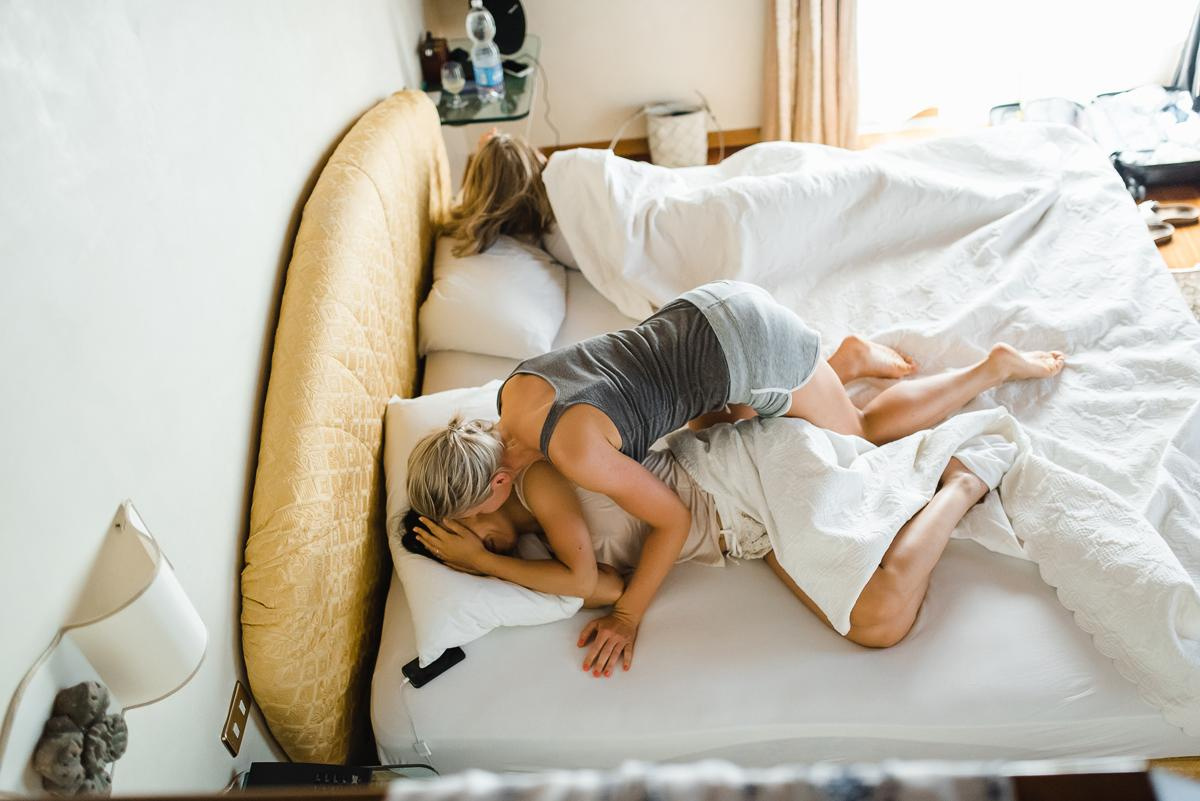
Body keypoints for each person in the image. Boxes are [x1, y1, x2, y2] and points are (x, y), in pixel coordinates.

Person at [405, 421, 1019, 677]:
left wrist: (485, 562)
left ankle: (963, 479)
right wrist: (493, 563)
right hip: (746, 528)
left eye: (473, 528)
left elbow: (587, 579)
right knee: (874, 625)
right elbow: (610, 586)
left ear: (494, 490)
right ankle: (951, 482)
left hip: (743, 476)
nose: (485, 543)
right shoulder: (536, 539)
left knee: (880, 614)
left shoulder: (541, 478)